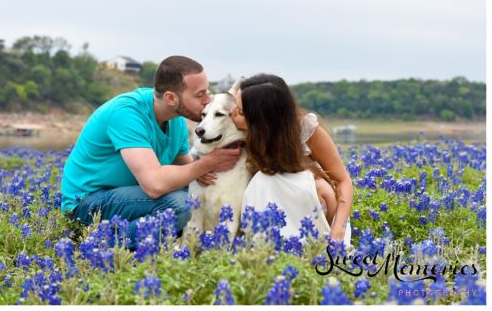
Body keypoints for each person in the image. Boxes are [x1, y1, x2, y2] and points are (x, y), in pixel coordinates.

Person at [60, 55, 241, 238]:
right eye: (200, 94)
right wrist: (207, 164)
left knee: (193, 194)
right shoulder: (126, 113)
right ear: (171, 98)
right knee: (181, 205)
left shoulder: (175, 120)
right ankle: (97, 243)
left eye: (207, 91)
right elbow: (154, 185)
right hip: (88, 203)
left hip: (130, 199)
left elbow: (188, 169)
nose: (208, 99)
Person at [231, 74, 353, 242]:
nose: (232, 113)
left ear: (261, 117)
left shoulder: (305, 127)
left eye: (240, 111)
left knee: (322, 187)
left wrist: (339, 228)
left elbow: (343, 180)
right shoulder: (243, 126)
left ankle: (319, 240)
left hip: (307, 198)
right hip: (270, 197)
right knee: (263, 181)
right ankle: (263, 243)